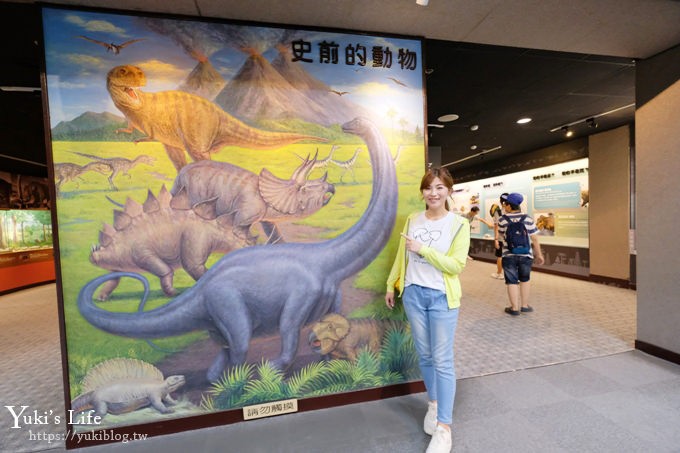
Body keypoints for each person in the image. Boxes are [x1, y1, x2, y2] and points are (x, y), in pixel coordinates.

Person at [385, 167, 470, 453]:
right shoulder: (412, 219)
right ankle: (433, 405)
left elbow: (456, 266)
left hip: (441, 298)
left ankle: (444, 428)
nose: (433, 193)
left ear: (449, 191)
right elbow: (401, 255)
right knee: (425, 355)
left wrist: (423, 250)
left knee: (443, 359)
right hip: (413, 295)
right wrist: (391, 284)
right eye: (428, 188)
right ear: (422, 191)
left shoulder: (459, 224)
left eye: (439, 188)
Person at [497, 192, 545, 316]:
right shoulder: (528, 218)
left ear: (508, 206)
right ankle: (524, 306)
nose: (504, 207)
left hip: (508, 255)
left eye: (505, 204)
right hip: (525, 255)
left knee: (511, 281)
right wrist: (539, 254)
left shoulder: (502, 220)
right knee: (525, 279)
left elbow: (501, 237)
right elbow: (534, 239)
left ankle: (514, 308)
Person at [490, 193, 509, 279]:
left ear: (501, 201)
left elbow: (496, 226)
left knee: (500, 256)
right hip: (511, 237)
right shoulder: (513, 211)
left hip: (501, 237)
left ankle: (499, 273)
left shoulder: (498, 212)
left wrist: (496, 239)